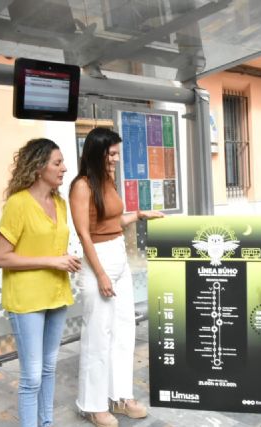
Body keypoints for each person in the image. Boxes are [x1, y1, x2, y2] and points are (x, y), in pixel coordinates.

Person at [70, 127, 164, 427]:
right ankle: (92, 404)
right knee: (98, 336)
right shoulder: (81, 186)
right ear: (97, 153)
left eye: (117, 154)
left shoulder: (107, 182)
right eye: (112, 154)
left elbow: (112, 221)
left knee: (124, 332)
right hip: (98, 261)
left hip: (118, 256)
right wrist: (100, 274)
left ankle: (119, 396)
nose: (116, 159)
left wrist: (138, 215)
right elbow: (84, 233)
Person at [0, 138, 82, 427]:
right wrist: (52, 261)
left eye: (62, 162)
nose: (64, 168)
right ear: (38, 166)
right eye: (57, 163)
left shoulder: (60, 203)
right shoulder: (18, 204)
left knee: (48, 369)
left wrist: (65, 258)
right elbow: (0, 257)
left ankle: (46, 423)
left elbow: (50, 246)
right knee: (31, 376)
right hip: (26, 300)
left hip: (56, 294)